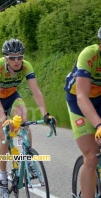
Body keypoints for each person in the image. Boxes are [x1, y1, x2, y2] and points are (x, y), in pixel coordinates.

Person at [0, 38, 55, 198]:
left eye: (20, 57)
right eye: (12, 58)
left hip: (12, 95)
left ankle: (27, 156)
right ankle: (2, 177)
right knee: (4, 136)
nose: (17, 61)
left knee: (23, 119)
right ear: (6, 58)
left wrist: (45, 114)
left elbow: (36, 91)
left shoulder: (26, 66)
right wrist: (3, 119)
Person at [66, 28, 101, 198]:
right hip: (79, 100)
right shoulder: (89, 55)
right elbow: (82, 96)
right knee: (92, 155)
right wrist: (99, 125)